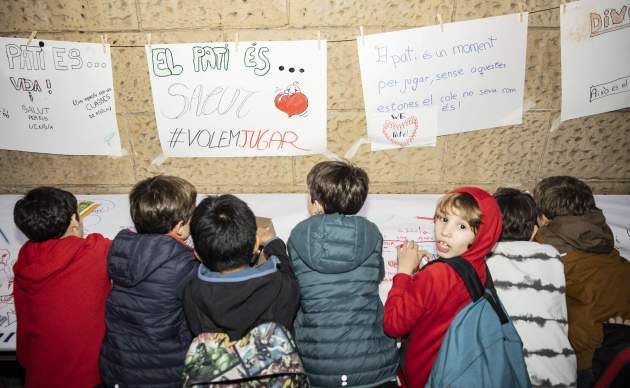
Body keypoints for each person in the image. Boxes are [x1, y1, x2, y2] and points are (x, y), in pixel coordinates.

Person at [288, 160, 398, 387]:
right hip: (372, 361)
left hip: (318, 362)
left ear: (316, 202)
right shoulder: (371, 234)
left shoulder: (298, 236)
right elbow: (377, 274)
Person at [383, 187, 502, 387]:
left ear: (481, 235)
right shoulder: (479, 265)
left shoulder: (435, 275)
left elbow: (393, 324)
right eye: (444, 219)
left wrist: (403, 273)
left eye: (462, 227)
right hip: (459, 370)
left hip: (426, 375)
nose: (445, 232)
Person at [99, 175, 198, 387]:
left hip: (118, 364)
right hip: (163, 370)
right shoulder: (183, 263)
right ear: (180, 227)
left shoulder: (121, 249)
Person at [533, 176, 630, 388]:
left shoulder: (544, 250)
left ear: (543, 217)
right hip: (616, 351)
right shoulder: (603, 240)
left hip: (579, 362)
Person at [13, 187, 111, 388]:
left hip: (38, 373)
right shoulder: (94, 250)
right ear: (74, 221)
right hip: (86, 377)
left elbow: (23, 316)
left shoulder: (25, 259)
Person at [487, 188, 577, 387]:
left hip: (507, 374)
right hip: (560, 372)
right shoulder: (551, 256)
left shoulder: (485, 259)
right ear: (535, 230)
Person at [182, 194, 300, 340]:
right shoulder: (281, 286)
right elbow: (287, 272)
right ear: (255, 245)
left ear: (197, 254)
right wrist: (273, 243)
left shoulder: (191, 292)